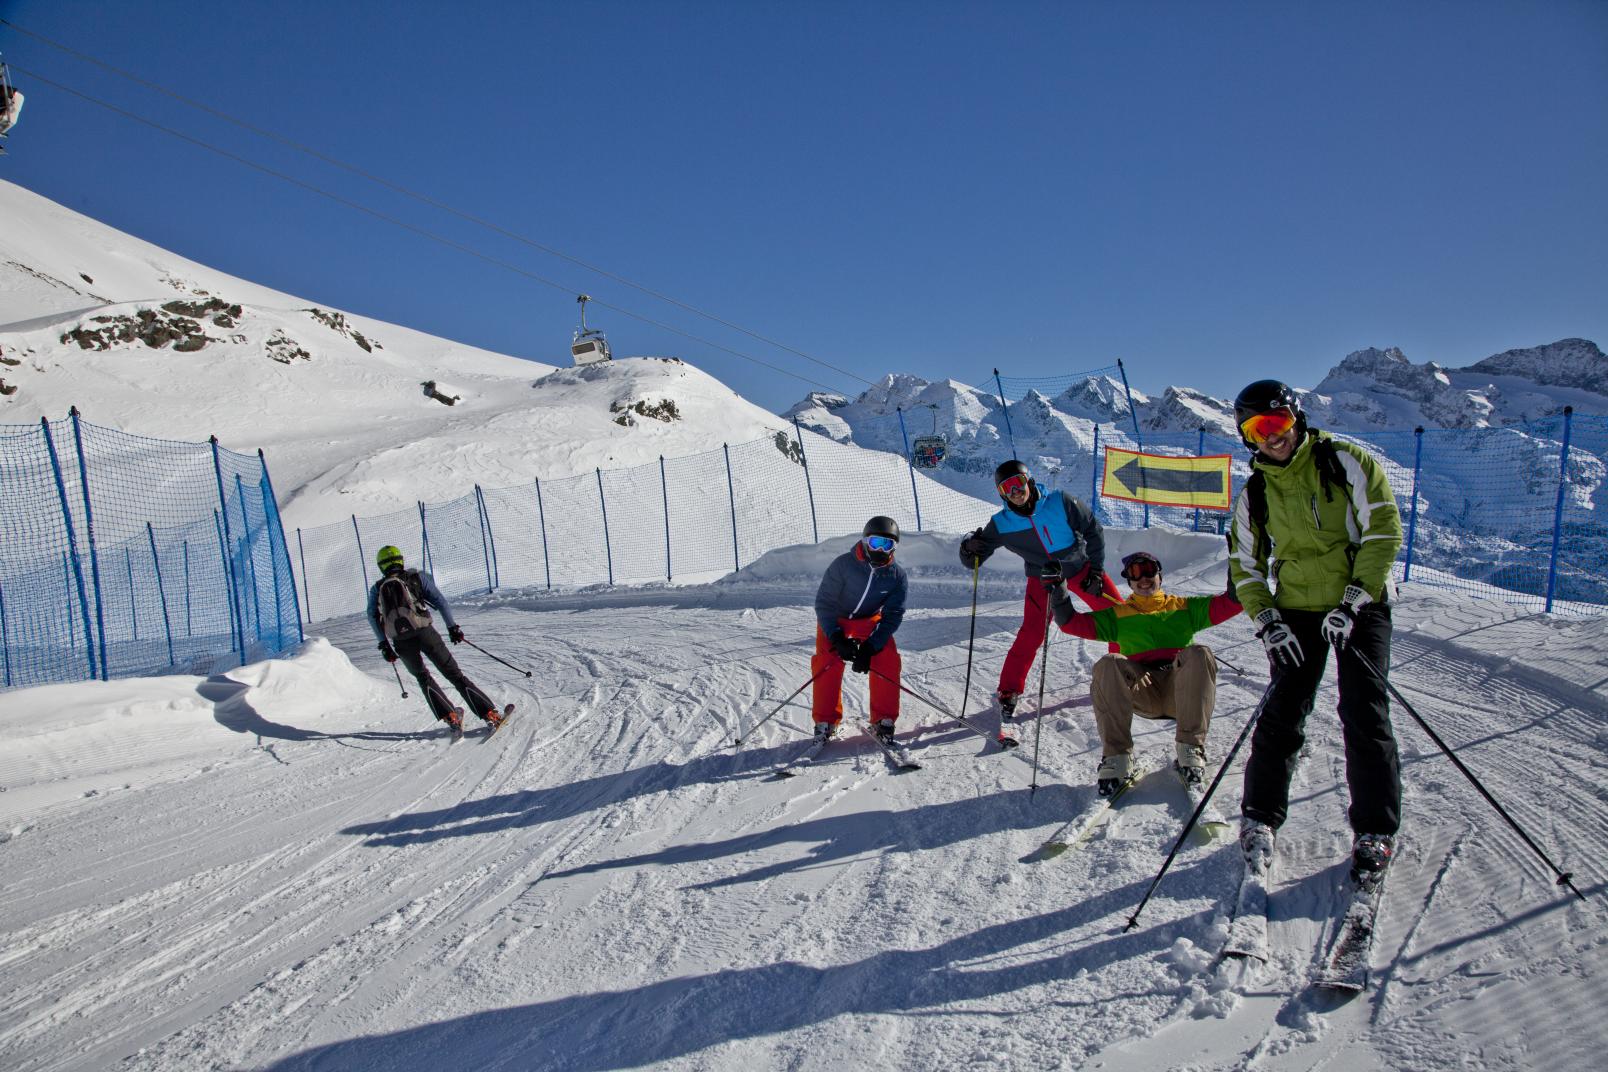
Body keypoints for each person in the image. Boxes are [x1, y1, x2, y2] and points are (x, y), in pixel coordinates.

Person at [1227, 380, 1403, 881]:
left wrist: (1355, 598)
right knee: (1282, 712)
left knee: (1364, 713)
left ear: (1296, 418)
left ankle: (1375, 830)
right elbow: (1244, 565)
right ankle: (1260, 817)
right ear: (1246, 437)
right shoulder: (1256, 492)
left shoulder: (1344, 461)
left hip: (1359, 605)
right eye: (1258, 428)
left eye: (1278, 422)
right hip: (1296, 612)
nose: (1271, 436)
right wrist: (1266, 619)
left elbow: (1383, 530)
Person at [1047, 551, 1242, 794]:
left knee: (1199, 652)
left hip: (1180, 692)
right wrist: (1058, 589)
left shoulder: (1185, 608)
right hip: (1143, 691)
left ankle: (1190, 750)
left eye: (1149, 570)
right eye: (1135, 573)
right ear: (1128, 581)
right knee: (1110, 662)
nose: (1143, 578)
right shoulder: (1118, 615)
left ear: (1160, 574)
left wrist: (1238, 560)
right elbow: (1070, 623)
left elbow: (1233, 602)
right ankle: (1116, 759)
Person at [959, 459, 1122, 719]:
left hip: (1081, 569)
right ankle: (1008, 691)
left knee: (1119, 617)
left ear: (1029, 481)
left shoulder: (1060, 501)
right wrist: (968, 549)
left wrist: (1096, 570)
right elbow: (973, 561)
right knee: (1032, 632)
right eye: (1006, 489)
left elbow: (1093, 530)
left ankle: (1124, 672)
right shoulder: (1002, 523)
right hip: (1042, 579)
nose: (1015, 492)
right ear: (1001, 494)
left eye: (1018, 484)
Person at [367, 545, 504, 733]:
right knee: (454, 674)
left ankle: (451, 717)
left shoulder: (377, 589)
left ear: (381, 566)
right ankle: (490, 714)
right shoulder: (416, 578)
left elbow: (372, 616)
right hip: (425, 632)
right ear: (400, 560)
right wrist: (452, 627)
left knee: (423, 678)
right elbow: (440, 602)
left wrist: (384, 645)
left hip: (401, 641)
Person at [812, 516, 909, 742]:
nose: (881, 550)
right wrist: (836, 638)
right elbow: (824, 603)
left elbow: (893, 615)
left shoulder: (896, 576)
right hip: (837, 618)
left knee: (886, 657)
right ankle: (825, 721)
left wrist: (871, 647)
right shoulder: (843, 565)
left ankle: (883, 719)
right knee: (827, 660)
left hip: (869, 620)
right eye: (876, 543)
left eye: (888, 545)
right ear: (865, 541)